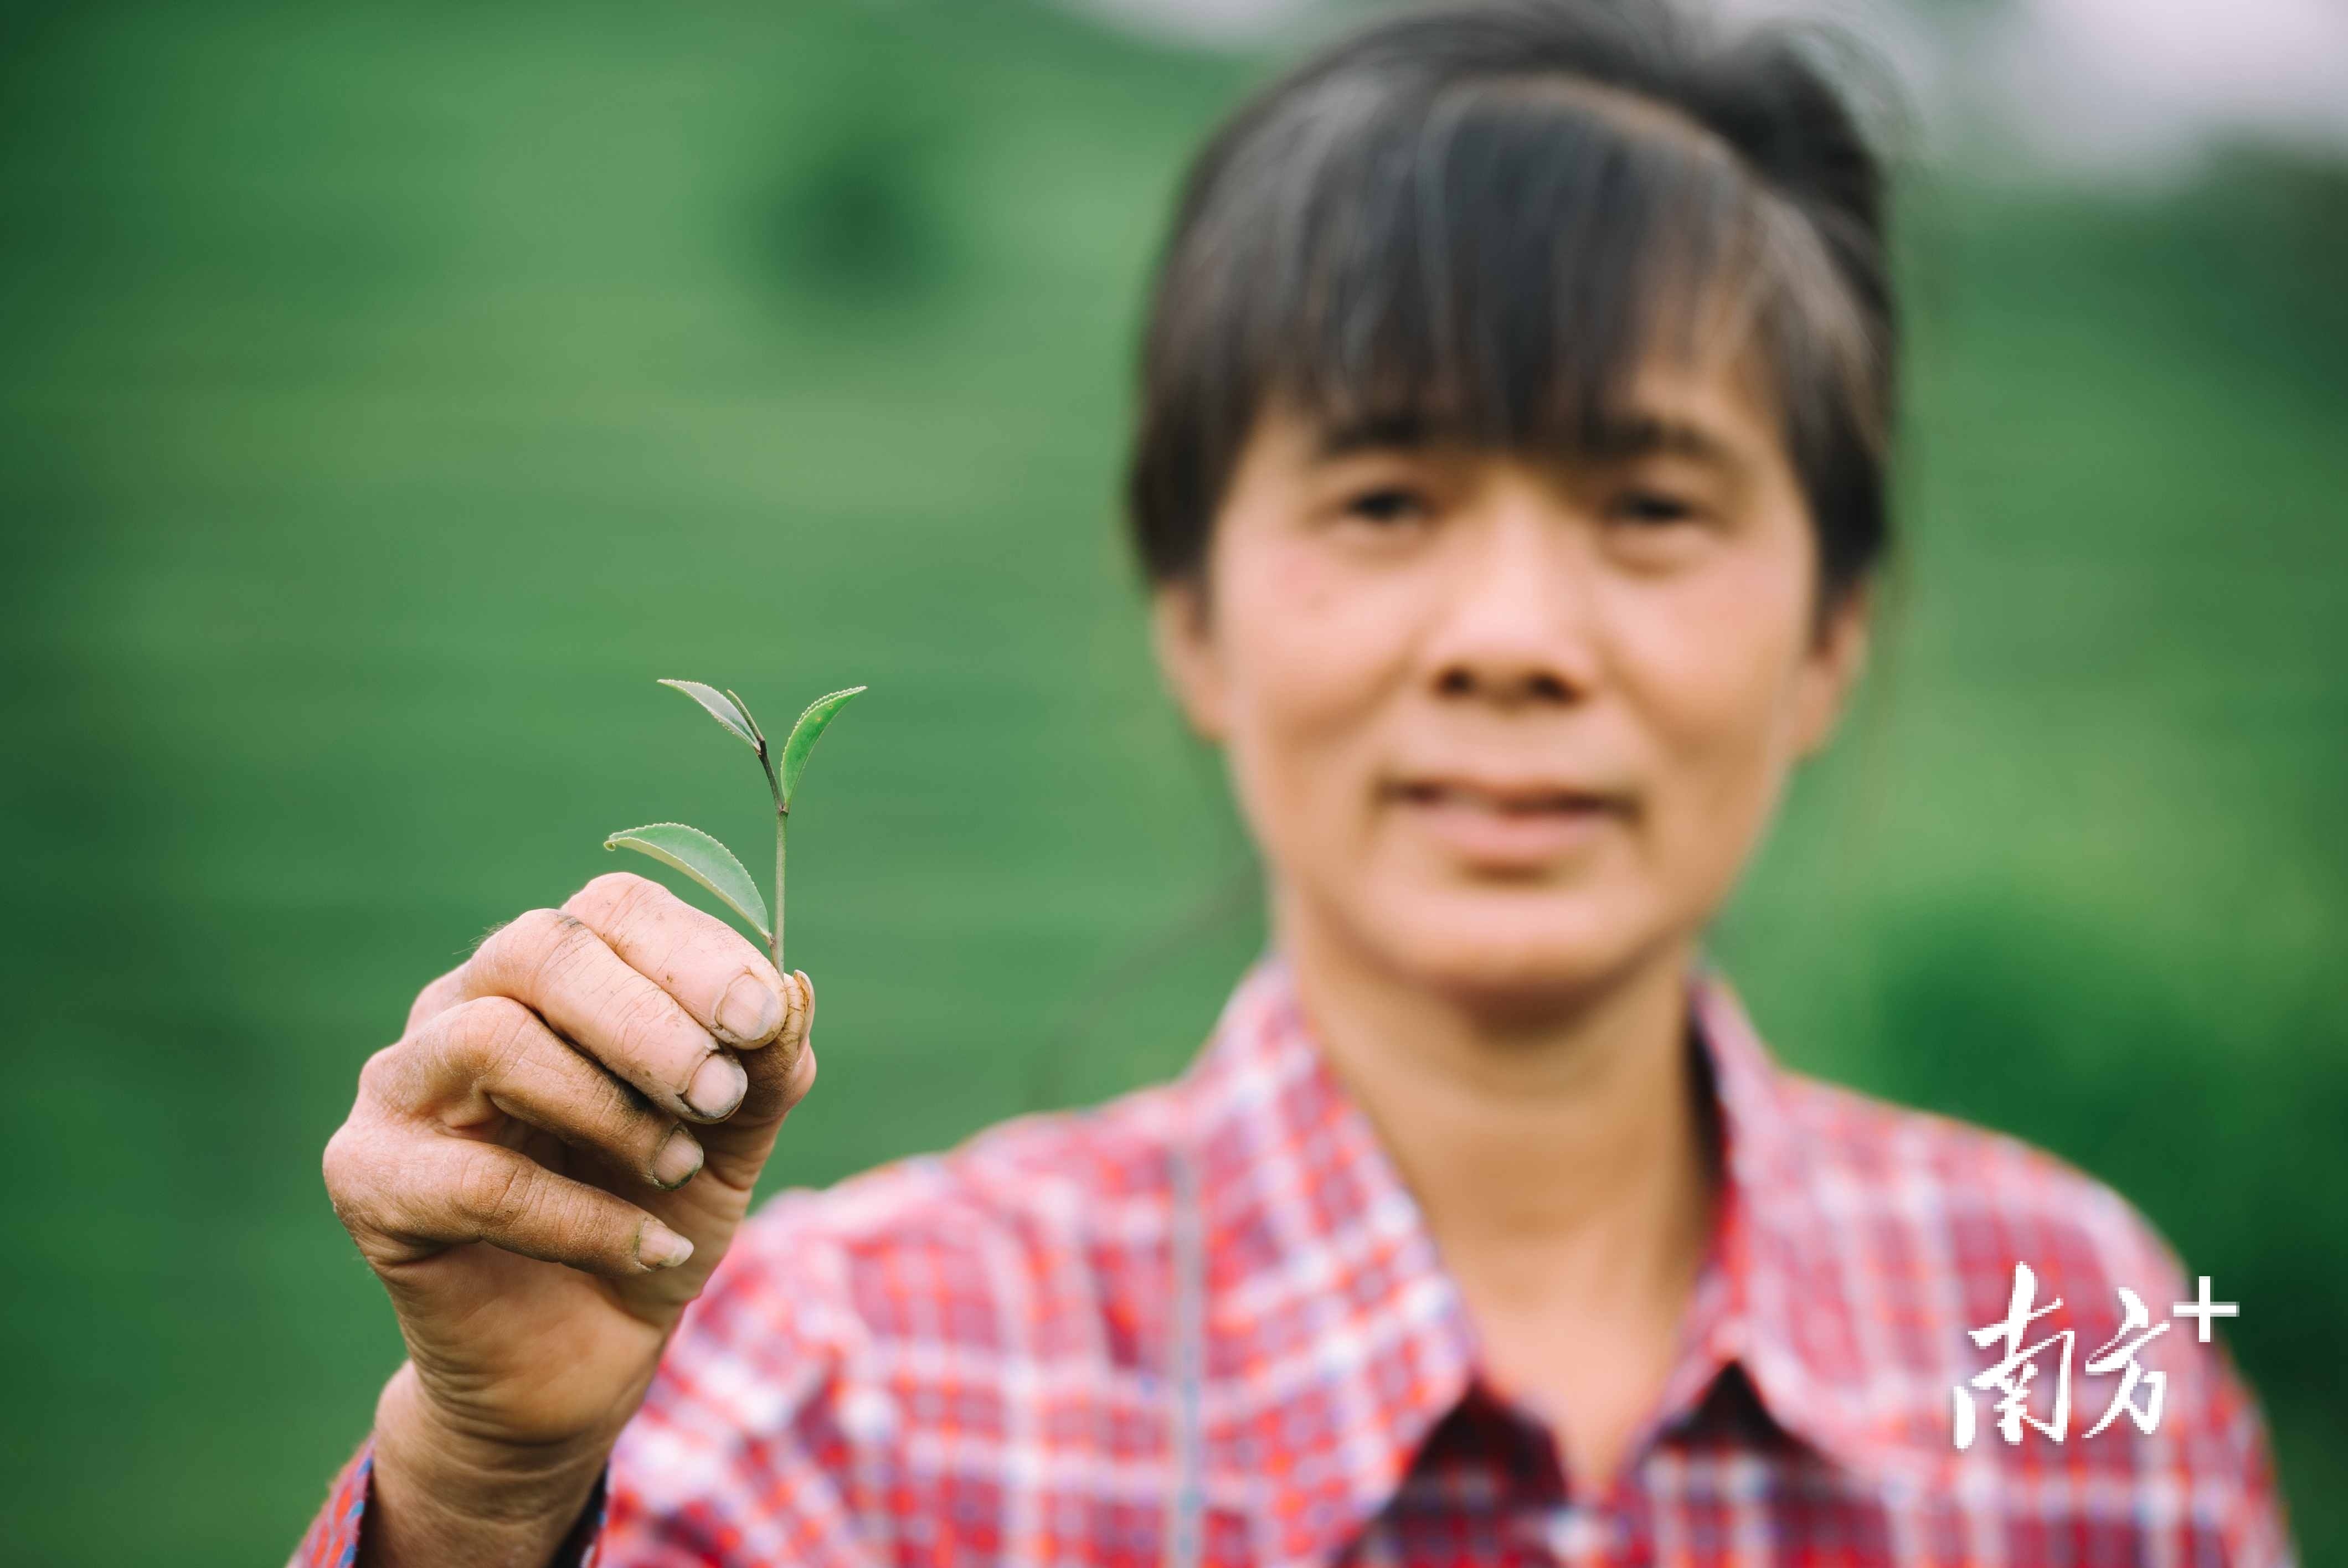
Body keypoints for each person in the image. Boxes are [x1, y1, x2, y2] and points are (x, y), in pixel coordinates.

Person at [296, 2, 2296, 1563]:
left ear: (1831, 632)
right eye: (1388, 497)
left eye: (1655, 504)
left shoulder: (2072, 1348)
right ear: (1195, 614)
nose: (1512, 633)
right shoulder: (850, 1393)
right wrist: (483, 1500)